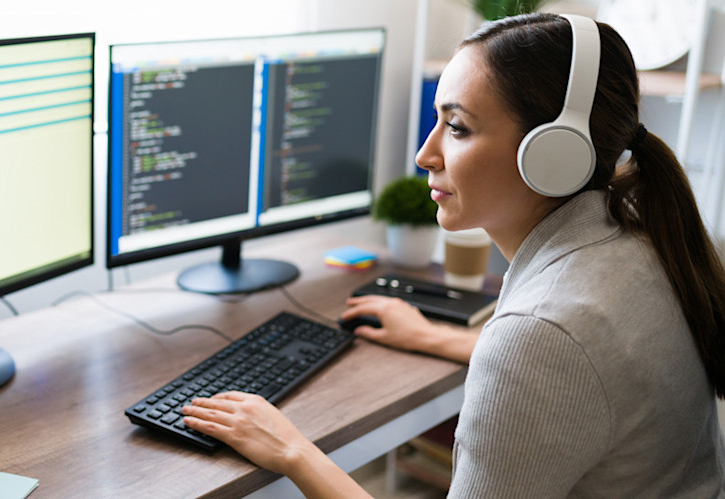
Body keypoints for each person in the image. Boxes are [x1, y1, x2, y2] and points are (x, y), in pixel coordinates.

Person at [182, 12, 725, 498]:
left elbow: (552, 347)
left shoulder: (544, 333)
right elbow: (584, 369)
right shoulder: (640, 237)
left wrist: (292, 450)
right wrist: (436, 337)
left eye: (457, 127)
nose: (425, 154)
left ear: (555, 154)